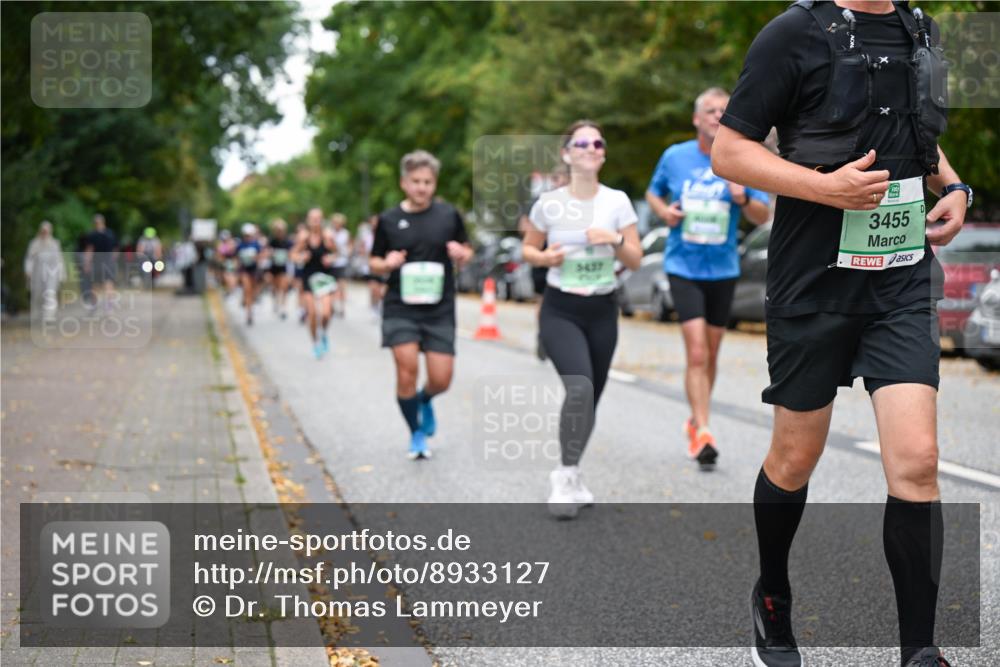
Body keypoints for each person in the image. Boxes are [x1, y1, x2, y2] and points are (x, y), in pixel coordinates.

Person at [711, 2, 969, 666]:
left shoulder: (920, 30)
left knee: (916, 459)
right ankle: (772, 595)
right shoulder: (792, 34)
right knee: (795, 458)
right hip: (812, 279)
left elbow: (915, 130)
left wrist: (953, 184)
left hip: (901, 278)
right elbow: (730, 150)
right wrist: (824, 189)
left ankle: (919, 649)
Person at [646, 87, 771, 467]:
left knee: (712, 353)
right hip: (683, 266)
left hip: (723, 269)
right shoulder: (675, 157)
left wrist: (741, 199)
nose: (718, 116)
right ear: (697, 119)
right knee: (697, 350)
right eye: (711, 111)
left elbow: (762, 216)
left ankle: (696, 420)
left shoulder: (743, 157)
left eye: (724, 110)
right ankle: (702, 430)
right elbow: (654, 194)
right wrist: (665, 213)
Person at [522, 121, 642, 518]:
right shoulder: (549, 203)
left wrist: (615, 240)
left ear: (603, 154)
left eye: (598, 143)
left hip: (602, 310)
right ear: (567, 153)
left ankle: (572, 470)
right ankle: (562, 476)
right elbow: (528, 249)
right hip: (561, 308)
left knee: (591, 398)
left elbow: (636, 259)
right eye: (582, 142)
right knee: (580, 388)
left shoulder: (618, 202)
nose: (591, 147)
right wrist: (546, 258)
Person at [369, 150, 472, 460]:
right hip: (401, 305)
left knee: (441, 379)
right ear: (404, 183)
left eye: (427, 182)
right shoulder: (388, 220)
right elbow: (373, 261)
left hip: (439, 308)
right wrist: (385, 263)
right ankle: (415, 431)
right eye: (416, 181)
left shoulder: (448, 215)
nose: (422, 187)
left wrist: (462, 254)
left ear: (434, 183)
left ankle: (425, 400)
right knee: (407, 371)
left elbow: (467, 250)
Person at [520, 165, 571, 361]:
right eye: (555, 179)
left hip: (567, 261)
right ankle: (543, 334)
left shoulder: (577, 204)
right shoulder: (540, 203)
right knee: (543, 299)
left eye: (562, 179)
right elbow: (524, 227)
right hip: (543, 257)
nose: (558, 183)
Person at [292, 208, 338, 358]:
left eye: (318, 218)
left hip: (324, 278)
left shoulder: (328, 236)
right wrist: (301, 257)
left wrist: (331, 258)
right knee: (312, 314)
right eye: (313, 218)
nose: (315, 221)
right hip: (309, 278)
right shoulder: (303, 237)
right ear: (308, 220)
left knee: (325, 313)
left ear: (322, 219)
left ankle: (323, 332)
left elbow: (337, 253)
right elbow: (292, 255)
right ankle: (315, 343)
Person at [24, 221, 66, 323]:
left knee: (50, 294)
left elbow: (59, 260)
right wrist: (28, 270)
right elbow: (29, 258)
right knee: (37, 294)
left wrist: (61, 274)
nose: (44, 233)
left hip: (51, 274)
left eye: (46, 231)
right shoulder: (34, 243)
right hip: (37, 274)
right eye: (43, 231)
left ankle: (49, 316)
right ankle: (36, 315)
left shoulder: (55, 244)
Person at [81, 214, 118, 314]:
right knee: (98, 285)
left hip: (103, 261)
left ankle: (105, 307)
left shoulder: (96, 234)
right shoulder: (106, 234)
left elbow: (90, 250)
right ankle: (100, 306)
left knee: (106, 285)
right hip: (102, 262)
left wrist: (87, 263)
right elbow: (90, 250)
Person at [356, 215, 385, 321]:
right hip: (370, 266)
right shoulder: (367, 236)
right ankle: (374, 308)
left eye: (376, 222)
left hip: (383, 266)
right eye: (372, 222)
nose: (374, 224)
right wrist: (364, 253)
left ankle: (379, 305)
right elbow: (361, 248)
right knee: (373, 289)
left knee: (382, 290)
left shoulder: (385, 234)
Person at [235, 223, 263, 326]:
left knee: (252, 291)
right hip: (244, 270)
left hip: (254, 270)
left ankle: (250, 308)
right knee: (247, 289)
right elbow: (236, 258)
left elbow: (261, 255)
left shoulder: (256, 244)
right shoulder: (240, 245)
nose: (247, 237)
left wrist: (256, 258)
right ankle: (248, 313)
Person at [265, 218, 293, 319]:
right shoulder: (272, 241)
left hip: (283, 267)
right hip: (273, 267)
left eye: (281, 230)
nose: (279, 232)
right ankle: (275, 301)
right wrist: (270, 253)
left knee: (284, 287)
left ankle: (283, 307)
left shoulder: (288, 242)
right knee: (275, 287)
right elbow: (266, 252)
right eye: (278, 230)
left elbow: (292, 254)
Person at [329, 213, 352, 318]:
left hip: (342, 262)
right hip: (332, 263)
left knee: (342, 286)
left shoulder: (345, 233)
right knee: (331, 287)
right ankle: (332, 307)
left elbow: (350, 245)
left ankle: (342, 307)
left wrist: (348, 253)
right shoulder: (329, 233)